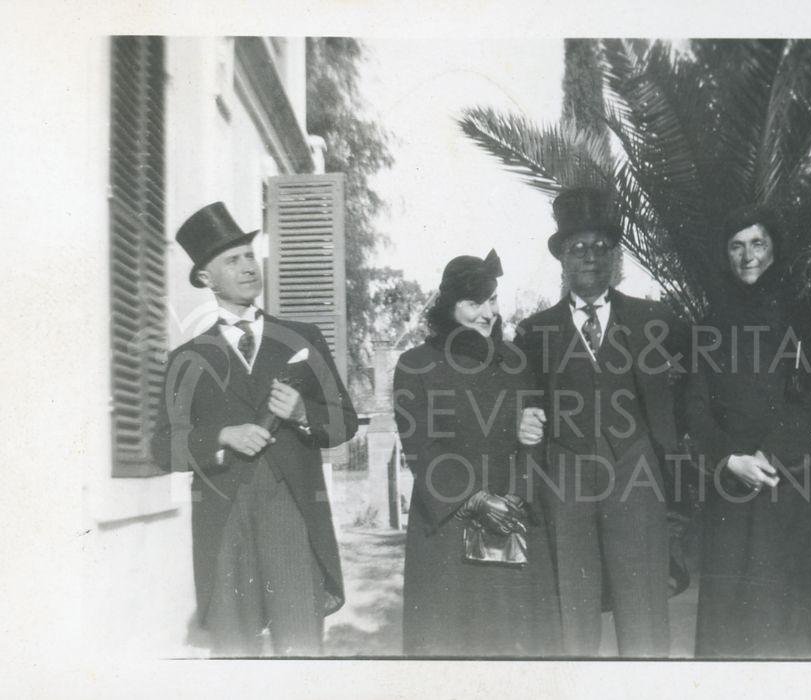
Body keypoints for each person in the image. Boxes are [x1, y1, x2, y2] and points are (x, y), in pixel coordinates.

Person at [152, 202, 357, 656]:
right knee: (234, 653)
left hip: (291, 510)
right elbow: (162, 447)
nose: (248, 267)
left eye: (249, 256)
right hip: (223, 518)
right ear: (206, 279)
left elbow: (345, 421)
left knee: (300, 647)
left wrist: (305, 413)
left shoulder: (302, 336)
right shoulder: (187, 358)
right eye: (232, 260)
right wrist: (222, 438)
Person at [685, 205, 811, 658]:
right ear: (724, 254)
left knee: (804, 629)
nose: (747, 255)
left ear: (774, 248)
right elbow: (694, 407)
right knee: (735, 634)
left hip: (798, 491)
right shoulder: (709, 323)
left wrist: (776, 454)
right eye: (736, 246)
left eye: (757, 243)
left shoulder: (809, 314)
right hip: (733, 495)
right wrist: (729, 459)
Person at [515, 187, 687, 657]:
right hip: (566, 484)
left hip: (637, 475)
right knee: (573, 618)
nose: (589, 256)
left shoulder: (654, 318)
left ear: (614, 256)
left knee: (645, 617)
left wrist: (666, 444)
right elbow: (523, 404)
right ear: (562, 260)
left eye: (600, 247)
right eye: (577, 248)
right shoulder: (535, 331)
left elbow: (696, 381)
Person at [392, 250, 562, 657]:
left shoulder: (517, 361)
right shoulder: (416, 364)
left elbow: (535, 438)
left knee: (517, 650)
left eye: (493, 299)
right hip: (448, 529)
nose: (488, 313)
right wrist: (475, 498)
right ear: (449, 307)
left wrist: (516, 492)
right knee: (451, 650)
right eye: (474, 302)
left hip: (513, 520)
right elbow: (421, 448)